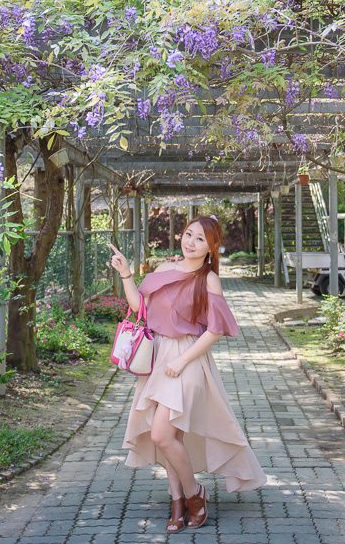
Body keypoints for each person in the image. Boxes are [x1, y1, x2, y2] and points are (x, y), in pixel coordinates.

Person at [107, 216, 267, 533]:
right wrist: (126, 273)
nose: (190, 242)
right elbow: (140, 307)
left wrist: (182, 361)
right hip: (157, 357)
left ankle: (195, 494)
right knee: (171, 437)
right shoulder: (164, 270)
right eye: (188, 234)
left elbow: (216, 330)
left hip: (188, 359)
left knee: (161, 434)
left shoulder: (208, 280)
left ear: (211, 247)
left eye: (200, 239)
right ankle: (177, 502)